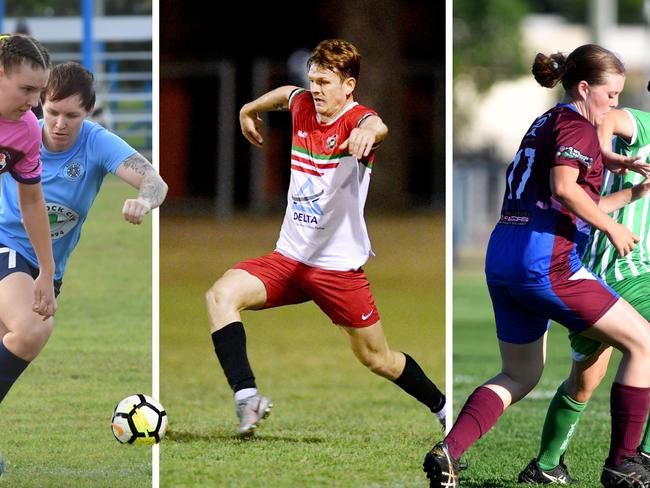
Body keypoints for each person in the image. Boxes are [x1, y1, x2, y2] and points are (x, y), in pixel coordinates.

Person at [424, 44, 650, 488]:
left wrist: (628, 189)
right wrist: (612, 228)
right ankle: (624, 462)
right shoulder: (581, 126)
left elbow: (563, 195)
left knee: (519, 373)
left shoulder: (546, 120)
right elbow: (565, 189)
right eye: (612, 95)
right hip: (545, 261)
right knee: (644, 344)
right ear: (584, 88)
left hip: (504, 253)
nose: (616, 105)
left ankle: (447, 453)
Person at [205, 39, 446, 436]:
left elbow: (376, 125)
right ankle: (247, 398)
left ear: (348, 85)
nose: (315, 88)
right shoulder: (304, 105)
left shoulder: (357, 121)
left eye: (325, 81)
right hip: (288, 260)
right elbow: (286, 95)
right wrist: (248, 109)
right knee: (219, 295)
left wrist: (370, 134)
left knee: (378, 358)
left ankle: (440, 408)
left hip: (336, 270)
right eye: (313, 79)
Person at [0, 61, 167, 411]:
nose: (60, 124)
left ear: (89, 111)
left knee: (17, 343)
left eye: (72, 115)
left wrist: (143, 201)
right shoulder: (19, 133)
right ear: (41, 104)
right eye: (53, 112)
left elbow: (155, 181)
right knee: (32, 329)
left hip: (47, 269)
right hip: (6, 247)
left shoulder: (96, 142)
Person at [518, 100, 650, 484]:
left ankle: (545, 466)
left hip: (594, 273)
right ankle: (633, 457)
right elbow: (608, 118)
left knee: (584, 381)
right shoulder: (641, 124)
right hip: (619, 267)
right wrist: (607, 152)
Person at [0, 34, 57, 409]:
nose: (34, 102)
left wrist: (46, 271)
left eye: (39, 91)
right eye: (26, 89)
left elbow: (32, 199)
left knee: (31, 328)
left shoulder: (26, 128)